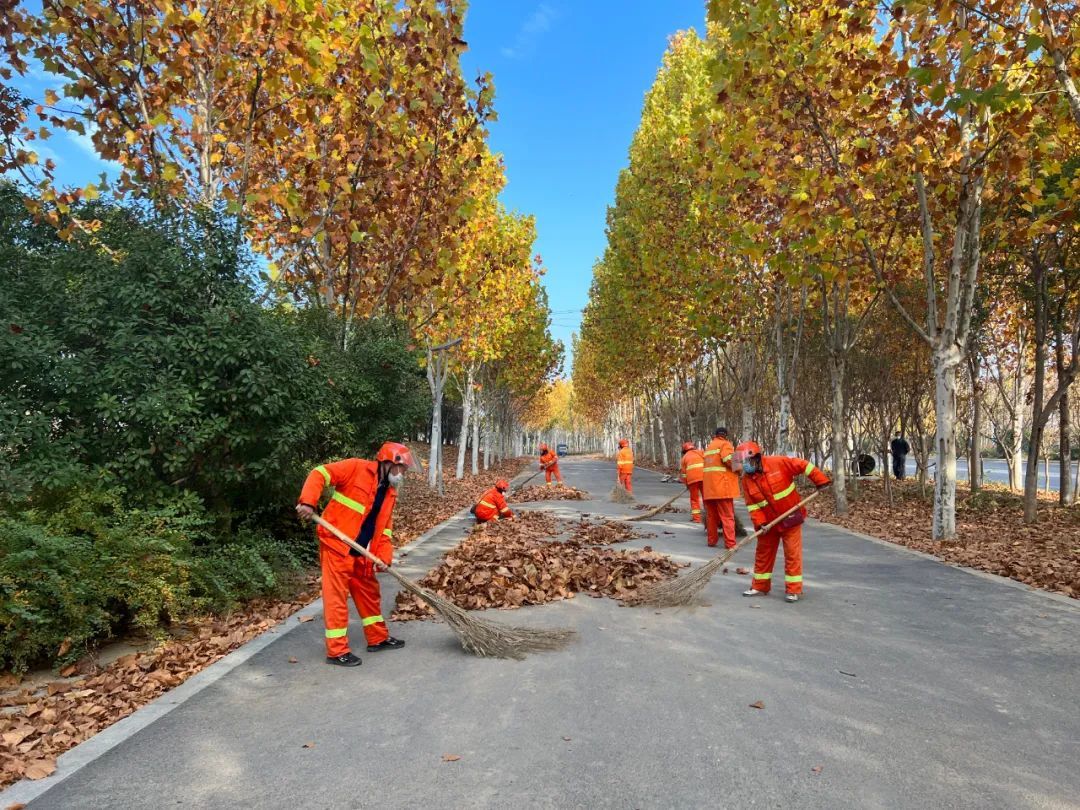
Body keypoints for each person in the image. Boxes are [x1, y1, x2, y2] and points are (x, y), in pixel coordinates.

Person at [296, 442, 420, 666]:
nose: (403, 473)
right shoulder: (355, 468)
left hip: (362, 551)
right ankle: (337, 651)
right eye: (401, 468)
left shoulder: (390, 492)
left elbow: (384, 528)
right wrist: (308, 501)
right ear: (388, 463)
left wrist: (384, 555)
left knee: (369, 593)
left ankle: (377, 638)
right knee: (336, 599)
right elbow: (319, 473)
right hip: (337, 546)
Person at [733, 440, 830, 603]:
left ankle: (793, 590)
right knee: (763, 554)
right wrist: (760, 523)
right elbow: (753, 506)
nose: (745, 466)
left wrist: (820, 481)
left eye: (747, 462)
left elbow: (803, 465)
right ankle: (759, 586)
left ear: (756, 458)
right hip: (768, 523)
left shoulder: (778, 463)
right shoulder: (747, 480)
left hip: (790, 518)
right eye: (742, 463)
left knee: (792, 554)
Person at [703, 427, 740, 548]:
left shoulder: (709, 447)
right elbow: (728, 459)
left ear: (715, 435)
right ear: (725, 435)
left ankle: (711, 541)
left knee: (711, 516)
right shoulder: (725, 444)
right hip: (722, 488)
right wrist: (740, 468)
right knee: (727, 516)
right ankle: (730, 543)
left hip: (709, 488)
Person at [679, 441, 705, 524]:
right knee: (707, 498)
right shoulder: (701, 452)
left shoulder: (684, 458)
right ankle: (710, 516)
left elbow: (684, 474)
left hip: (692, 480)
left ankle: (697, 518)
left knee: (694, 499)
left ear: (684, 450)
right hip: (704, 478)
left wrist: (687, 484)